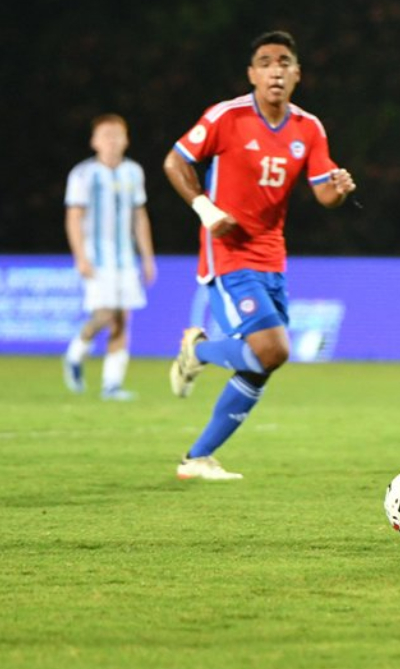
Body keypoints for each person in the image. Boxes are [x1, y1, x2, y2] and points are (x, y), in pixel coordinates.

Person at [164, 30, 357, 480]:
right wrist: (205, 208)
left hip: (272, 258)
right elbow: (175, 162)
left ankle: (196, 458)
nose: (276, 69)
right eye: (266, 62)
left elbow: (324, 194)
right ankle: (201, 351)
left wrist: (341, 191)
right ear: (252, 74)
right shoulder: (225, 117)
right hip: (227, 252)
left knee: (260, 366)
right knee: (272, 350)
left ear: (297, 75)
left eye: (284, 61)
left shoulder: (308, 128)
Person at [62, 113, 157, 401]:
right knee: (105, 314)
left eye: (117, 135)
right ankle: (76, 352)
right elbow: (74, 217)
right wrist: (80, 256)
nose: (112, 141)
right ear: (94, 142)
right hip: (97, 257)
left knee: (122, 319)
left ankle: (112, 385)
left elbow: (139, 216)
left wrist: (148, 257)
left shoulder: (134, 172)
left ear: (126, 139)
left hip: (125, 258)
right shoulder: (83, 175)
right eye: (106, 135)